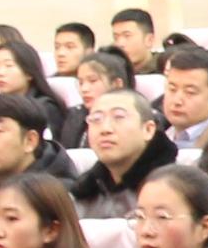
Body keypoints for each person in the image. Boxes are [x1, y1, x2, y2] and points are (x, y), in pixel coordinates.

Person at [68, 87, 172, 219]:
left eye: (119, 117)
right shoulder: (82, 192)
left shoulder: (174, 189)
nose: (105, 129)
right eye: (96, 119)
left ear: (148, 129)